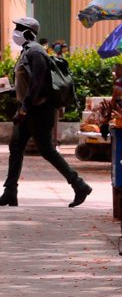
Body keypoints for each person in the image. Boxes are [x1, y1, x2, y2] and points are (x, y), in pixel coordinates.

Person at [0, 17, 92, 208]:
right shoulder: (27, 51)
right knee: (16, 147)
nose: (15, 31)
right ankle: (10, 192)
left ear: (28, 32)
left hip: (39, 110)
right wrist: (11, 90)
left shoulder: (36, 52)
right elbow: (27, 83)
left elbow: (38, 83)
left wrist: (24, 109)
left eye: (19, 28)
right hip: (28, 108)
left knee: (47, 150)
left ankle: (79, 185)